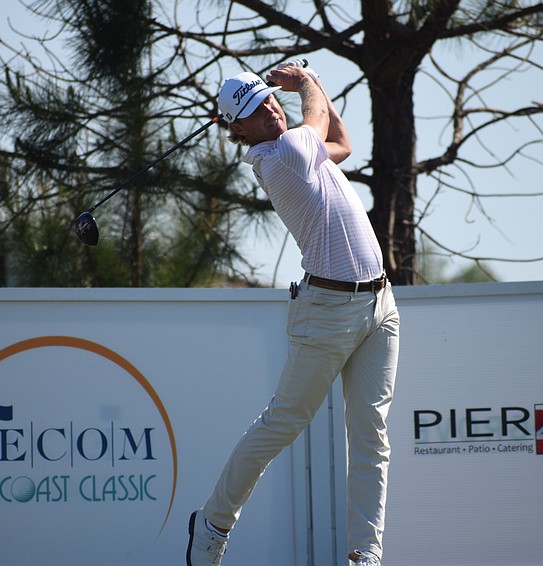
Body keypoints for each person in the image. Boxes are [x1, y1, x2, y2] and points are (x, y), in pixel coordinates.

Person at [186, 62, 401, 566]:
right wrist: (305, 82)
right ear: (238, 130)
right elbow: (318, 125)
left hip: (380, 305)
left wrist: (317, 86)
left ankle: (364, 554)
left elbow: (342, 143)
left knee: (371, 433)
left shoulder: (299, 148)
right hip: (326, 312)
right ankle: (213, 524)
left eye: (269, 99)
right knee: (282, 423)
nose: (270, 109)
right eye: (256, 111)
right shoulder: (277, 157)